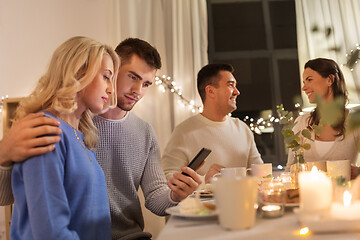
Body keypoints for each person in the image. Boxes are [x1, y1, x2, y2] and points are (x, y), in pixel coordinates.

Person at [0, 38, 201, 240]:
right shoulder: (53, 128)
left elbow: (156, 197)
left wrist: (177, 195)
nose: (138, 91)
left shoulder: (83, 131)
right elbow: (33, 210)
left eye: (146, 84)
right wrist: (3, 153)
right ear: (80, 73)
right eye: (131, 77)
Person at [10, 36, 120, 239]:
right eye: (106, 76)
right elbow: (50, 231)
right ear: (79, 72)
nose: (112, 89)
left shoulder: (82, 138)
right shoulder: (46, 129)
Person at [161, 63, 263, 184]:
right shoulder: (183, 131)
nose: (237, 92)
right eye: (230, 85)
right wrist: (205, 180)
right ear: (210, 91)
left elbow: (261, 173)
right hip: (201, 203)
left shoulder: (243, 129)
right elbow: (168, 177)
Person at [285, 58, 360, 173]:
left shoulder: (354, 122)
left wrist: (357, 171)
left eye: (309, 80)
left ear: (330, 80)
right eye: (304, 82)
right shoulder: (302, 123)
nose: (304, 88)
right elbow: (290, 169)